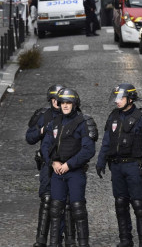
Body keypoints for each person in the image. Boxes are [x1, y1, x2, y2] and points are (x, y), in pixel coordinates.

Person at [96, 84, 142, 247]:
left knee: (138, 204)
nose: (117, 101)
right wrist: (101, 160)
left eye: (121, 98)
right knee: (120, 203)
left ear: (130, 99)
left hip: (133, 166)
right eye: (116, 98)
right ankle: (125, 239)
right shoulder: (113, 116)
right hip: (116, 166)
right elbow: (107, 141)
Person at [41, 88, 98, 247]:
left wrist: (68, 165)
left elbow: (88, 150)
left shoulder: (84, 122)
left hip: (75, 173)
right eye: (63, 103)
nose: (65, 106)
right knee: (55, 209)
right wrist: (53, 162)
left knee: (77, 209)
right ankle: (55, 243)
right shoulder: (54, 123)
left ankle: (82, 243)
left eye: (68, 103)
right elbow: (45, 146)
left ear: (75, 104)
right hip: (57, 172)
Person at [26, 84, 77, 247]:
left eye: (59, 100)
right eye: (54, 100)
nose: (57, 103)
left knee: (67, 203)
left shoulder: (73, 115)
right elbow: (29, 137)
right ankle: (41, 239)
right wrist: (42, 131)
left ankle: (68, 239)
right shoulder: (43, 115)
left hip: (67, 166)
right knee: (47, 200)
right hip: (47, 166)